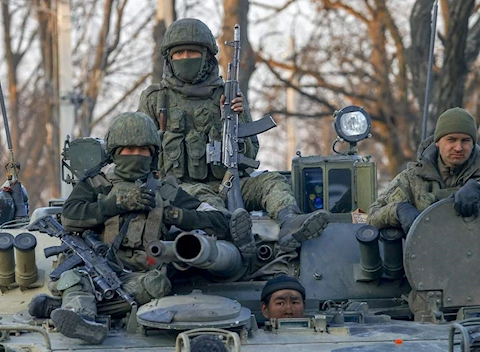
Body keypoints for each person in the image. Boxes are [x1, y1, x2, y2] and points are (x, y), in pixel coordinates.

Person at [28, 112, 237, 344]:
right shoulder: (97, 183)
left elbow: (220, 220)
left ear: (153, 154)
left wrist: (178, 215)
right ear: (116, 152)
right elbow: (70, 217)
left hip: (139, 277)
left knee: (158, 286)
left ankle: (72, 305)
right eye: (129, 150)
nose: (136, 156)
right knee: (74, 278)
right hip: (94, 269)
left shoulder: (164, 190)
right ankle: (82, 319)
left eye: (143, 150)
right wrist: (114, 205)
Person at [137, 18, 329, 254]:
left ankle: (290, 222)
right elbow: (140, 151)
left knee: (272, 182)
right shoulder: (155, 99)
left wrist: (234, 117)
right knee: (212, 207)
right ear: (169, 58)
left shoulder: (227, 94)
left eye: (193, 52)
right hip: (184, 189)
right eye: (180, 53)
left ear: (207, 57)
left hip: (230, 181)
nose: (186, 58)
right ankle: (237, 237)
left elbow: (251, 154)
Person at [366, 107, 480, 234]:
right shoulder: (415, 177)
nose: (458, 147)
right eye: (451, 140)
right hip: (426, 263)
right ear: (438, 142)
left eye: (465, 140)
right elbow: (372, 216)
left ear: (473, 143)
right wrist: (398, 210)